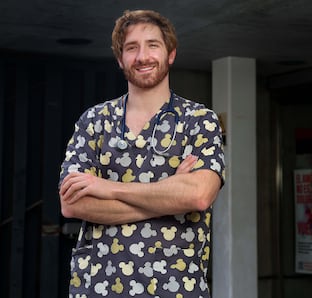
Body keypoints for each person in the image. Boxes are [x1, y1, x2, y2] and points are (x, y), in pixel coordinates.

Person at [58, 9, 225, 297]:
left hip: (176, 288)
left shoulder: (199, 120)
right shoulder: (95, 120)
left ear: (170, 54)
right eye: (131, 48)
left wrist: (107, 187)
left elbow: (197, 195)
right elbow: (73, 205)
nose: (142, 56)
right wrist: (169, 194)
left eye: (153, 45)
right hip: (99, 287)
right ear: (120, 58)